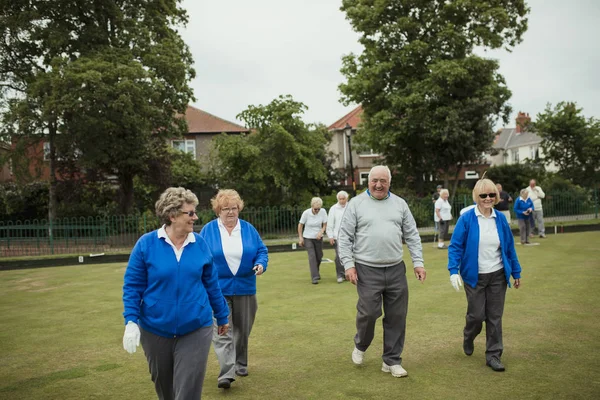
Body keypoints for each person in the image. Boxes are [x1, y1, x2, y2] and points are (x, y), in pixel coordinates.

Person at [122, 187, 230, 400]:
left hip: (196, 327)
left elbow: (211, 284)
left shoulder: (200, 244)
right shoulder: (146, 244)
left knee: (187, 391)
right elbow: (132, 286)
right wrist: (131, 321)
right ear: (172, 216)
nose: (195, 217)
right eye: (190, 213)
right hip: (155, 329)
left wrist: (222, 315)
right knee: (165, 389)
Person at [338, 165, 426, 378]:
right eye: (374, 180)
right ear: (368, 182)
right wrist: (348, 265)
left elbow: (412, 235)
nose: (378, 185)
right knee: (368, 313)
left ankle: (392, 360)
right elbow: (344, 237)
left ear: (389, 182)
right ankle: (361, 344)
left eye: (383, 181)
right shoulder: (356, 204)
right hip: (367, 269)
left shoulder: (400, 204)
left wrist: (418, 262)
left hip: (396, 268)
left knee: (397, 316)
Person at [447, 178, 522, 372]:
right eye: (483, 195)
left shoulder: (501, 219)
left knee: (494, 317)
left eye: (491, 195)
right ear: (477, 197)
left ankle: (493, 355)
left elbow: (509, 248)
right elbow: (455, 246)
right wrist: (453, 271)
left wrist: (516, 271)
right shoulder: (467, 219)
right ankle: (469, 335)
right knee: (476, 315)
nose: (488, 198)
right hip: (474, 276)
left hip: (497, 275)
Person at [199, 189, 268, 390]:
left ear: (239, 209)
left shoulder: (248, 229)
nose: (230, 212)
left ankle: (241, 363)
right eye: (226, 209)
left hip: (246, 287)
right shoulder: (208, 230)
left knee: (242, 330)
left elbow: (261, 251)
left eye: (234, 208)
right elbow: (199, 255)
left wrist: (261, 264)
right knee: (222, 330)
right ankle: (226, 373)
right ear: (218, 211)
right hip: (217, 289)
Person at [298, 197, 328, 284]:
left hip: (318, 238)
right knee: (312, 256)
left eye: (319, 209)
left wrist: (321, 231)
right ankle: (314, 277)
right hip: (308, 237)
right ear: (312, 206)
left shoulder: (323, 212)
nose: (317, 211)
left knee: (319, 256)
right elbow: (300, 225)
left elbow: (325, 224)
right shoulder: (306, 213)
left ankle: (316, 271)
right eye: (315, 209)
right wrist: (300, 238)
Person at [326, 190, 349, 283]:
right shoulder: (333, 209)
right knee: (339, 256)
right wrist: (330, 236)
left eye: (343, 199)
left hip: (350, 235)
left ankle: (349, 274)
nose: (342, 200)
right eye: (340, 199)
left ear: (346, 198)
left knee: (351, 255)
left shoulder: (351, 207)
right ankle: (340, 274)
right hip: (338, 236)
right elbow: (330, 224)